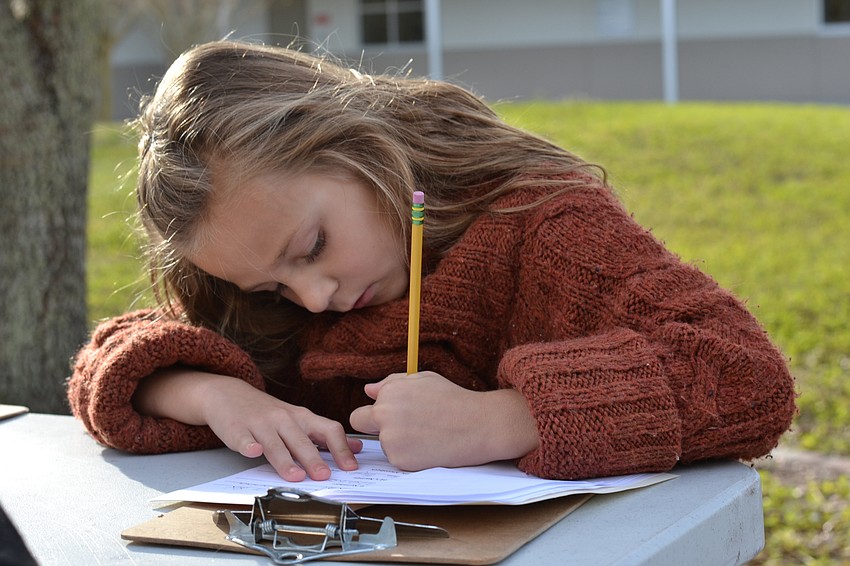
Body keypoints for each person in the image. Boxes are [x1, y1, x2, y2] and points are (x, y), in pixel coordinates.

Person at [68, 40, 797, 483]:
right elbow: (117, 362)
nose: (314, 298)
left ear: (361, 148)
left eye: (312, 248)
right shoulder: (275, 297)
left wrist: (505, 420)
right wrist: (214, 397)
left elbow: (744, 379)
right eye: (274, 285)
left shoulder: (542, 225)